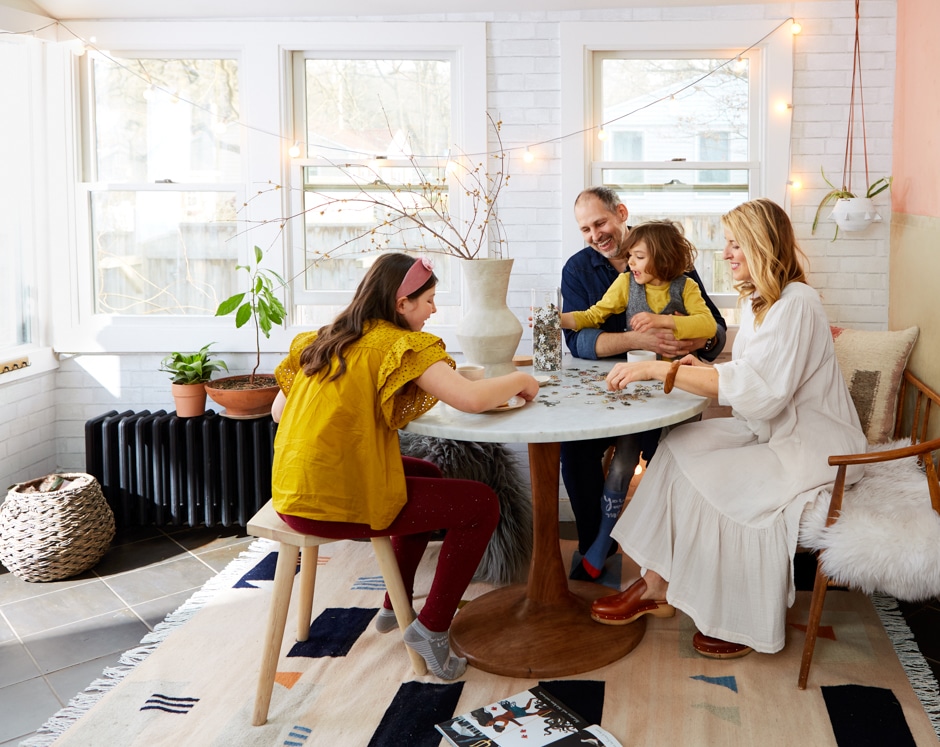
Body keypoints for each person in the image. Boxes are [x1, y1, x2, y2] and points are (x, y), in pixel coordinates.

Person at [590, 198, 867, 658]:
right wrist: (701, 364)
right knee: (679, 445)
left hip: (810, 445)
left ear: (761, 245)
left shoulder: (798, 303)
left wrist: (662, 371)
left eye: (736, 244)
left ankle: (741, 617)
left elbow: (764, 390)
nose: (727, 254)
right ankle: (656, 583)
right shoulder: (764, 302)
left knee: (722, 484)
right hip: (768, 431)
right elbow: (755, 370)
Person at [269, 252, 540, 680]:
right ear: (402, 304)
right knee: (482, 504)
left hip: (291, 493)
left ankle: (395, 605)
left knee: (428, 475)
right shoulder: (401, 346)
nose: (434, 310)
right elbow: (471, 400)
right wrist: (524, 380)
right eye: (429, 300)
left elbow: (279, 412)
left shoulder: (322, 340)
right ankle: (432, 628)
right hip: (335, 503)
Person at [560, 187, 727, 581]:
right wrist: (637, 339)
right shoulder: (582, 270)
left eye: (600, 223)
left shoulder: (674, 268)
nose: (594, 235)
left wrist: (686, 334)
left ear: (620, 213)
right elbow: (582, 335)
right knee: (580, 453)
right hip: (615, 390)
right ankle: (597, 545)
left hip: (666, 390)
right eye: (585, 228)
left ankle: (665, 560)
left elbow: (714, 330)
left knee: (667, 461)